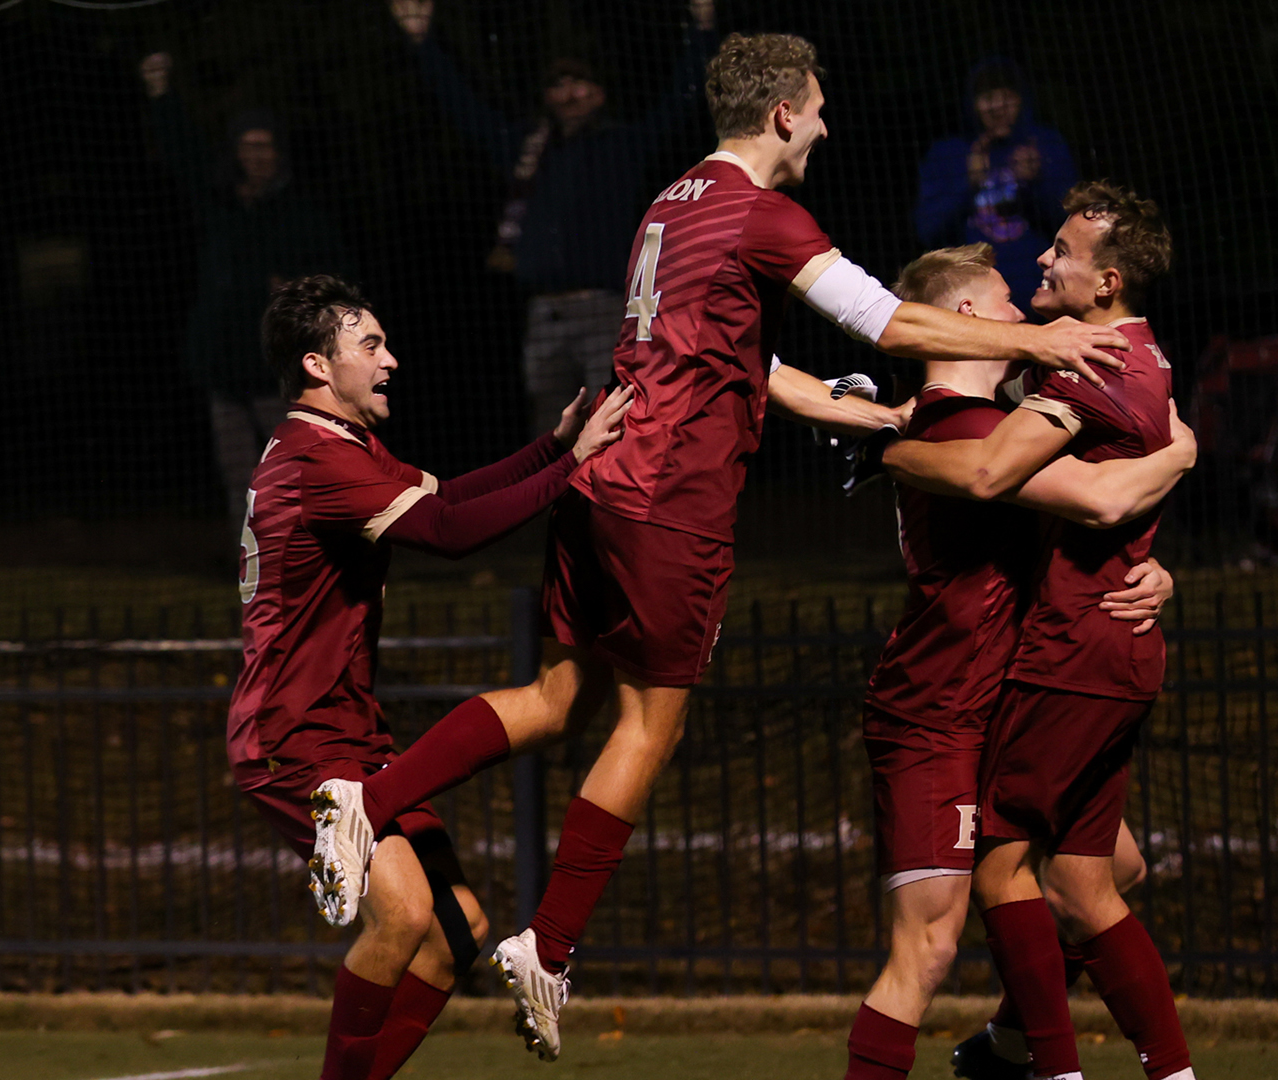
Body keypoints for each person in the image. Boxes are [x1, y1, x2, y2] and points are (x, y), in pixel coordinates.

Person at [304, 32, 1135, 1063]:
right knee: (649, 727)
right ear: (783, 113)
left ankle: (365, 800)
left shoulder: (671, 203)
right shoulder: (765, 212)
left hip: (602, 479)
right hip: (672, 503)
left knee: (559, 698)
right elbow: (885, 324)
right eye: (820, 109)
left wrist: (858, 419)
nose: (827, 127)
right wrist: (1040, 342)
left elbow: (742, 353)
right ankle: (548, 948)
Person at [228, 275, 630, 1080]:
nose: (391, 360)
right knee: (406, 916)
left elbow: (443, 495)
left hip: (348, 726)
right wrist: (570, 469)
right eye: (370, 346)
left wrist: (553, 449)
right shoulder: (317, 462)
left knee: (457, 935)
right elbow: (447, 532)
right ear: (317, 365)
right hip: (293, 733)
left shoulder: (340, 448)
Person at [841, 244, 1197, 1080]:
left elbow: (1088, 524)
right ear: (967, 319)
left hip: (999, 699)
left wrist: (1158, 572)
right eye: (1006, 301)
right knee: (927, 948)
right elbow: (1103, 496)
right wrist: (1181, 454)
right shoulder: (963, 428)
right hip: (936, 715)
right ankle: (1044, 1061)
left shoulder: (976, 420)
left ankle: (1009, 1044)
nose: (1024, 315)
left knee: (1112, 870)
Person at [391, 0, 718, 441]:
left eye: (580, 82)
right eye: (559, 84)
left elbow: (683, 97)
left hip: (606, 309)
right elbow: (463, 109)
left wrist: (702, 27)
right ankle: (556, 506)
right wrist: (421, 41)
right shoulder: (530, 150)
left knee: (614, 417)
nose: (570, 92)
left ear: (601, 91)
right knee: (551, 429)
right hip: (543, 312)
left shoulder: (622, 144)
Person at [139, 51, 352, 522]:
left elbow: (336, 281)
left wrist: (300, 290)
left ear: (279, 152)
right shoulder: (222, 206)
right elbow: (183, 153)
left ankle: (308, 561)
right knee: (240, 479)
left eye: (265, 146)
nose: (257, 155)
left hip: (276, 372)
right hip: (224, 370)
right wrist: (161, 93)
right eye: (248, 146)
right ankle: (253, 572)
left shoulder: (300, 215)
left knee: (294, 475)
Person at [915, 59, 1078, 315]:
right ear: (973, 103)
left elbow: (1071, 224)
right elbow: (927, 231)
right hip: (976, 300)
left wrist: (1036, 181)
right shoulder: (949, 153)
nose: (998, 105)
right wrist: (968, 183)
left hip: (1045, 294)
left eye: (1007, 95)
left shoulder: (1044, 144)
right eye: (987, 96)